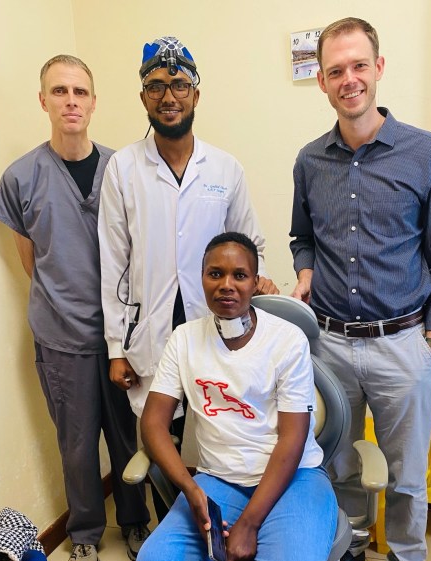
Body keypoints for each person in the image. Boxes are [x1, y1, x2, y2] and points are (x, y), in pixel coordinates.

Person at [289, 17, 431, 561]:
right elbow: (301, 237)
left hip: (401, 342)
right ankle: (353, 544)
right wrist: (304, 271)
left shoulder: (424, 152)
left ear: (378, 68)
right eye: (336, 71)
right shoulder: (310, 160)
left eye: (359, 65)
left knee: (406, 472)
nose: (349, 79)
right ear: (322, 82)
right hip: (330, 344)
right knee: (338, 463)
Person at [98, 36, 278, 520]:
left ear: (196, 94)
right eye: (156, 86)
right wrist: (116, 348)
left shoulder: (224, 168)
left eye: (179, 85)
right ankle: (174, 532)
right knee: (163, 440)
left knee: (221, 433)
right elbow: (113, 262)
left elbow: (251, 245)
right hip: (150, 331)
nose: (168, 96)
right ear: (143, 98)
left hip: (215, 327)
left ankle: (225, 528)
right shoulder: (123, 169)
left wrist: (260, 280)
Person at [0, 55, 150, 561]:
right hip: (60, 339)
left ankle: (135, 522)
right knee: (76, 446)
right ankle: (83, 533)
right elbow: (31, 259)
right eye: (59, 91)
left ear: (94, 102)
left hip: (121, 337)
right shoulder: (21, 177)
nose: (71, 101)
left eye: (80, 91)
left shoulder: (122, 168)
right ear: (43, 100)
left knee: (127, 437)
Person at [133, 232, 338, 561]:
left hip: (294, 480)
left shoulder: (286, 340)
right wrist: (191, 490)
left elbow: (293, 438)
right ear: (202, 278)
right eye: (215, 273)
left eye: (239, 275)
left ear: (255, 282)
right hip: (218, 481)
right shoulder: (184, 340)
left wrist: (249, 523)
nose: (226, 284)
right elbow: (154, 422)